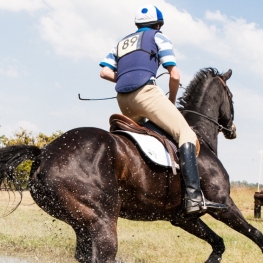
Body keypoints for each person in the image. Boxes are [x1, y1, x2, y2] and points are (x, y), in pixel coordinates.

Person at [99, 4, 226, 215]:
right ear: (159, 25)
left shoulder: (121, 43)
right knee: (185, 133)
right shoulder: (158, 37)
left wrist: (122, 77)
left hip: (123, 100)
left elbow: (104, 72)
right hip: (147, 95)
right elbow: (174, 75)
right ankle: (194, 197)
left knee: (144, 136)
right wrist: (172, 100)